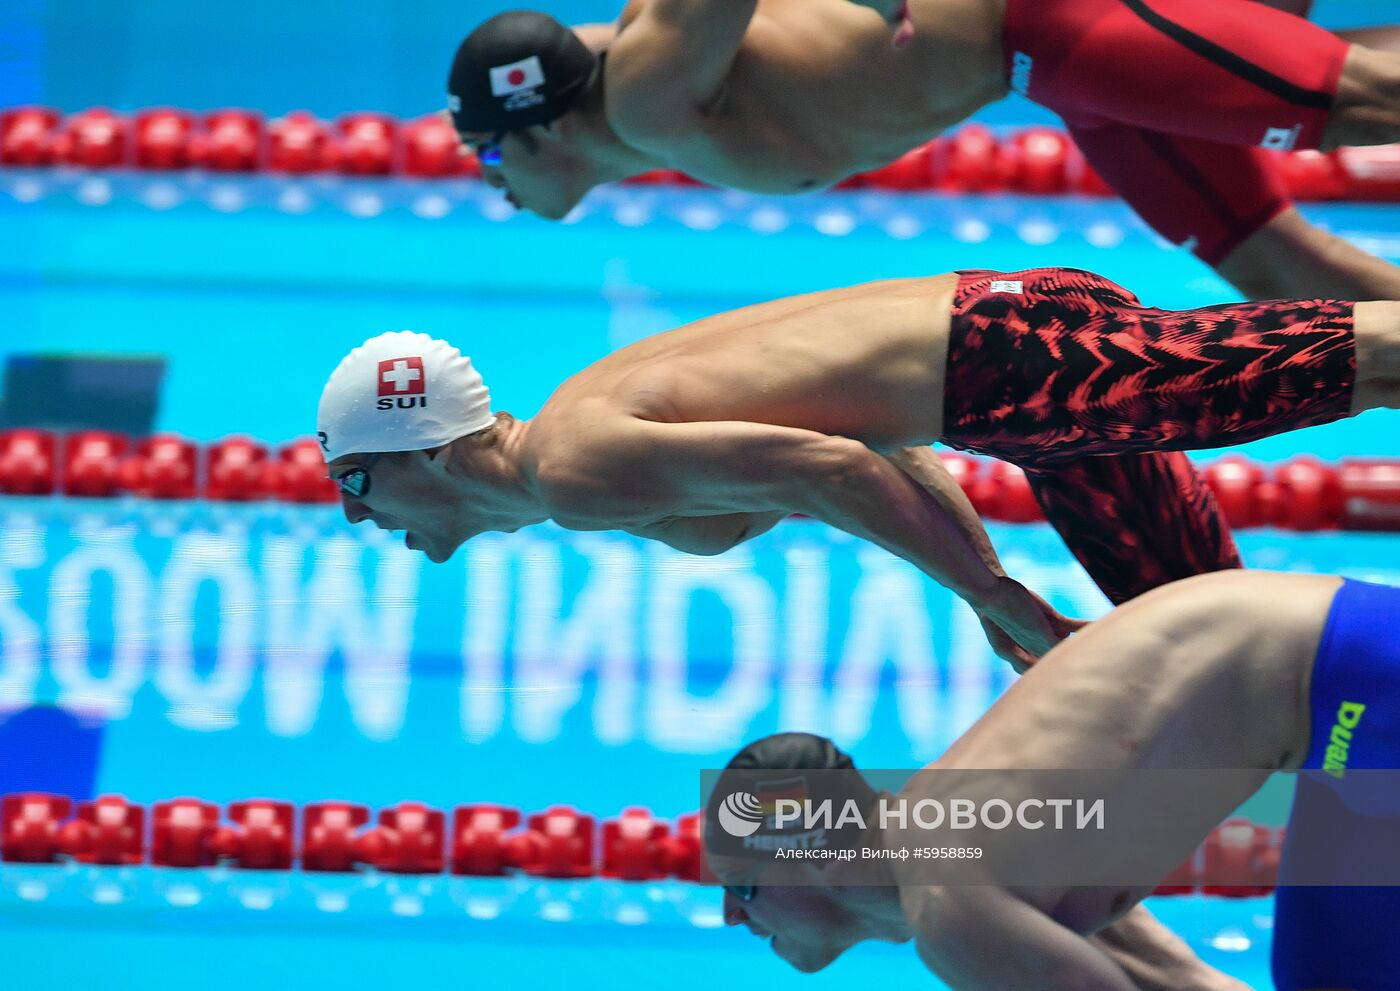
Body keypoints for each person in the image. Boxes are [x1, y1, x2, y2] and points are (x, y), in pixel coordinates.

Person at [315, 266, 1399, 665]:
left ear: (428, 449)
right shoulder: (577, 433)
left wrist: (998, 594)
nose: (360, 522)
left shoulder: (571, 467)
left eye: (354, 486)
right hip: (1009, 380)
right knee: (1215, 636)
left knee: (1335, 362)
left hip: (1019, 366)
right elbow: (868, 441)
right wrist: (986, 596)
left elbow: (825, 474)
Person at [704, 570, 1400, 990]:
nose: (731, 914)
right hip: (1346, 708)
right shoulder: (978, 851)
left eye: (741, 884)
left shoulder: (951, 903)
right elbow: (1182, 981)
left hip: (1356, 686)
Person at [445, 1, 1400, 302]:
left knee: (1360, 105)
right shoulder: (652, 100)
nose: (492, 185)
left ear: (543, 129)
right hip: (1060, 75)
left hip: (1051, 24)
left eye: (488, 157)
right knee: (1279, 272)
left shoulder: (650, 91)